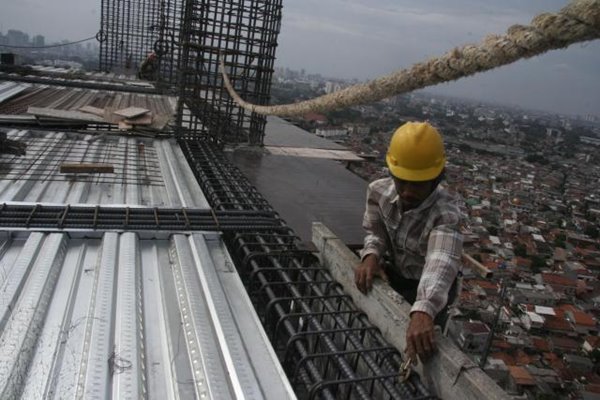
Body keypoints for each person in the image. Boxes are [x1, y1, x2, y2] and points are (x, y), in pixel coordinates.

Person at [354, 121, 464, 363]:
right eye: (401, 181)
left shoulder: (446, 213)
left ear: (436, 179)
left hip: (432, 290)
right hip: (396, 274)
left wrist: (425, 309)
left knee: (421, 347)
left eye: (417, 183)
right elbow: (376, 232)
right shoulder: (378, 192)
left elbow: (441, 262)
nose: (407, 191)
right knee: (384, 332)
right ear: (392, 173)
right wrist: (371, 255)